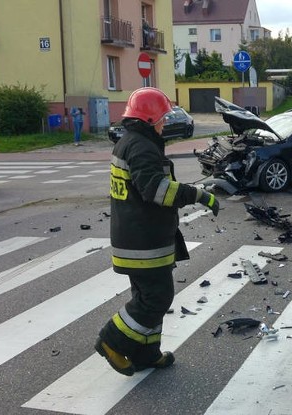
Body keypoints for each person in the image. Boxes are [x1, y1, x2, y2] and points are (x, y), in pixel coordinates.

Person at [95, 87, 219, 376]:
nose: (165, 123)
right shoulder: (141, 147)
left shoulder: (131, 142)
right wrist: (198, 194)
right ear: (149, 120)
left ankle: (146, 353)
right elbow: (158, 191)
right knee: (157, 298)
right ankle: (111, 341)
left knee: (149, 298)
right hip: (143, 243)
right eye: (162, 118)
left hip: (139, 238)